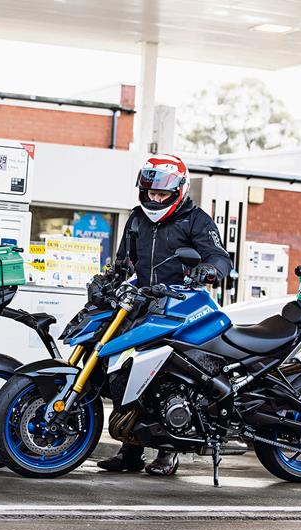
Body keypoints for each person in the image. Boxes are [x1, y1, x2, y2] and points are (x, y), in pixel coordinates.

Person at [96, 154, 233, 477]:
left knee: (166, 380)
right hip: (144, 305)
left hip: (181, 309)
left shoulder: (196, 220)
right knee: (123, 375)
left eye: (162, 194)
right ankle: (131, 449)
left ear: (178, 191)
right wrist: (109, 281)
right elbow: (124, 263)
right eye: (150, 193)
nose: (155, 199)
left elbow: (220, 258)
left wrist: (209, 270)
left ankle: (167, 452)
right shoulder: (136, 220)